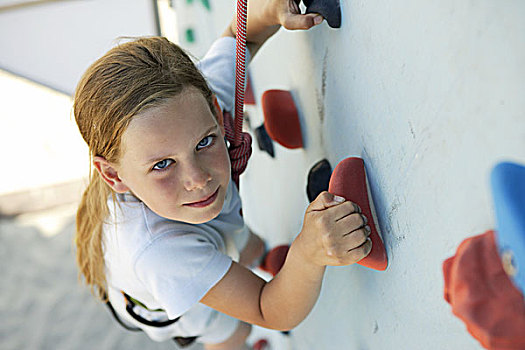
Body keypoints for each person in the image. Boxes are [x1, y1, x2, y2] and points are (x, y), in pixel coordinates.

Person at [73, 0, 372, 349]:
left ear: (216, 110)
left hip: (193, 229)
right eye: (162, 165)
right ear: (114, 175)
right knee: (232, 331)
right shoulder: (161, 255)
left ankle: (262, 258)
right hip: (158, 301)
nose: (198, 178)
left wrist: (275, 9)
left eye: (204, 142)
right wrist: (308, 253)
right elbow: (268, 310)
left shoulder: (189, 108)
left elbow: (241, 34)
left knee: (245, 244)